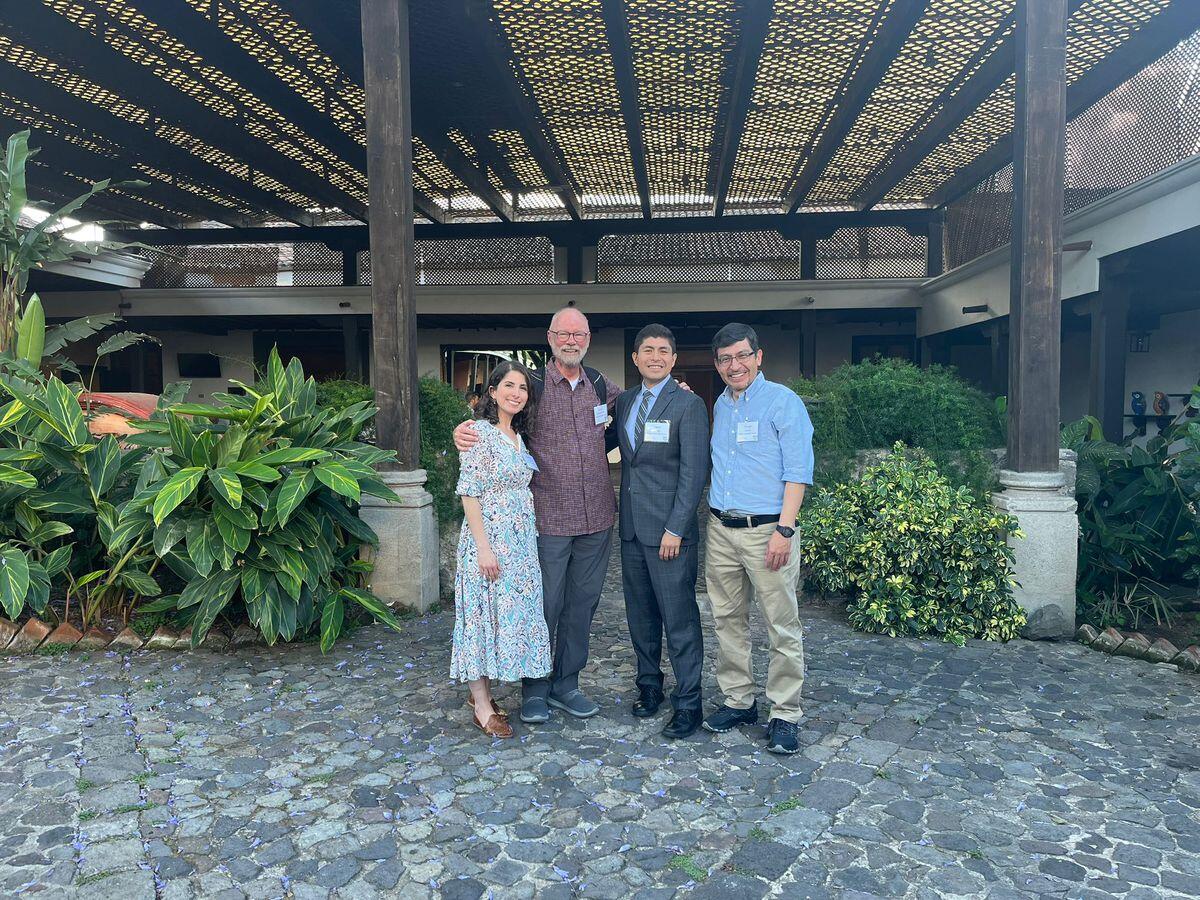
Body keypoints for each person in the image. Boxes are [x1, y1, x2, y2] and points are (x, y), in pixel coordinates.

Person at [454, 307, 618, 724]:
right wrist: (464, 429)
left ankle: (568, 684)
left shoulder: (600, 385)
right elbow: (497, 423)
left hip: (596, 514)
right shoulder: (535, 386)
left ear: (588, 338)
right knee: (543, 604)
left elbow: (641, 407)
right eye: (563, 334)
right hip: (547, 517)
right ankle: (536, 688)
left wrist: (679, 390)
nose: (571, 341)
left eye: (578, 334)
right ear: (550, 338)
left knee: (582, 605)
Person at [702, 322, 814, 755]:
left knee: (780, 624)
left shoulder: (783, 403)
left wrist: (785, 529)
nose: (735, 365)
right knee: (727, 619)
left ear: (758, 356)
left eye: (742, 355)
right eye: (726, 359)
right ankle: (739, 700)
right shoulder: (721, 406)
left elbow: (798, 471)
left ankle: (785, 713)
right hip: (721, 530)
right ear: (718, 365)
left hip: (769, 530)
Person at [616, 324, 710, 739]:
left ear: (673, 360)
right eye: (647, 350)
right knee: (641, 617)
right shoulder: (624, 402)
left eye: (663, 351)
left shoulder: (688, 405)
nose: (655, 357)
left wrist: (676, 527)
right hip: (633, 530)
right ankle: (649, 686)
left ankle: (688, 703)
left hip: (671, 533)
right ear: (635, 358)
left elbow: (694, 473)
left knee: (680, 620)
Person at [451, 362, 551, 739]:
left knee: (501, 617)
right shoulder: (480, 433)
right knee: (480, 617)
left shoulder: (517, 436)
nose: (516, 393)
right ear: (492, 392)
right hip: (489, 541)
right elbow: (469, 492)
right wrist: (483, 548)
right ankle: (480, 705)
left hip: (519, 544)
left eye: (522, 388)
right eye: (508, 385)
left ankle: (486, 696)